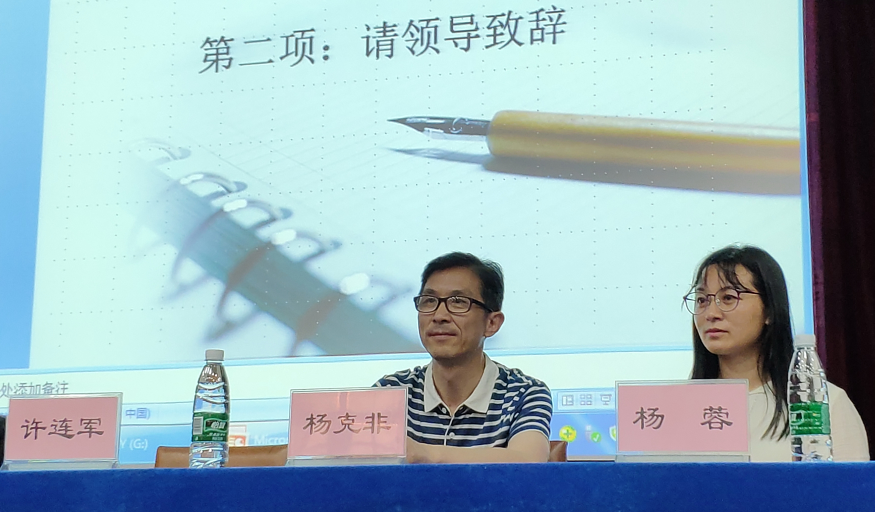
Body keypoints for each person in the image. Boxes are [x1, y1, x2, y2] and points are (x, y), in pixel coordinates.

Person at [685, 245, 868, 461]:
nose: (711, 313)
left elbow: (850, 482)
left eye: (728, 298)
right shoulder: (676, 408)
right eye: (702, 300)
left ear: (770, 310)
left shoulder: (821, 404)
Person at [376, 252, 553, 463]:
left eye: (458, 302)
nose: (439, 316)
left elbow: (528, 461)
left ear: (492, 323)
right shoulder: (390, 391)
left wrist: (421, 453)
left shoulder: (523, 393)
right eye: (429, 301)